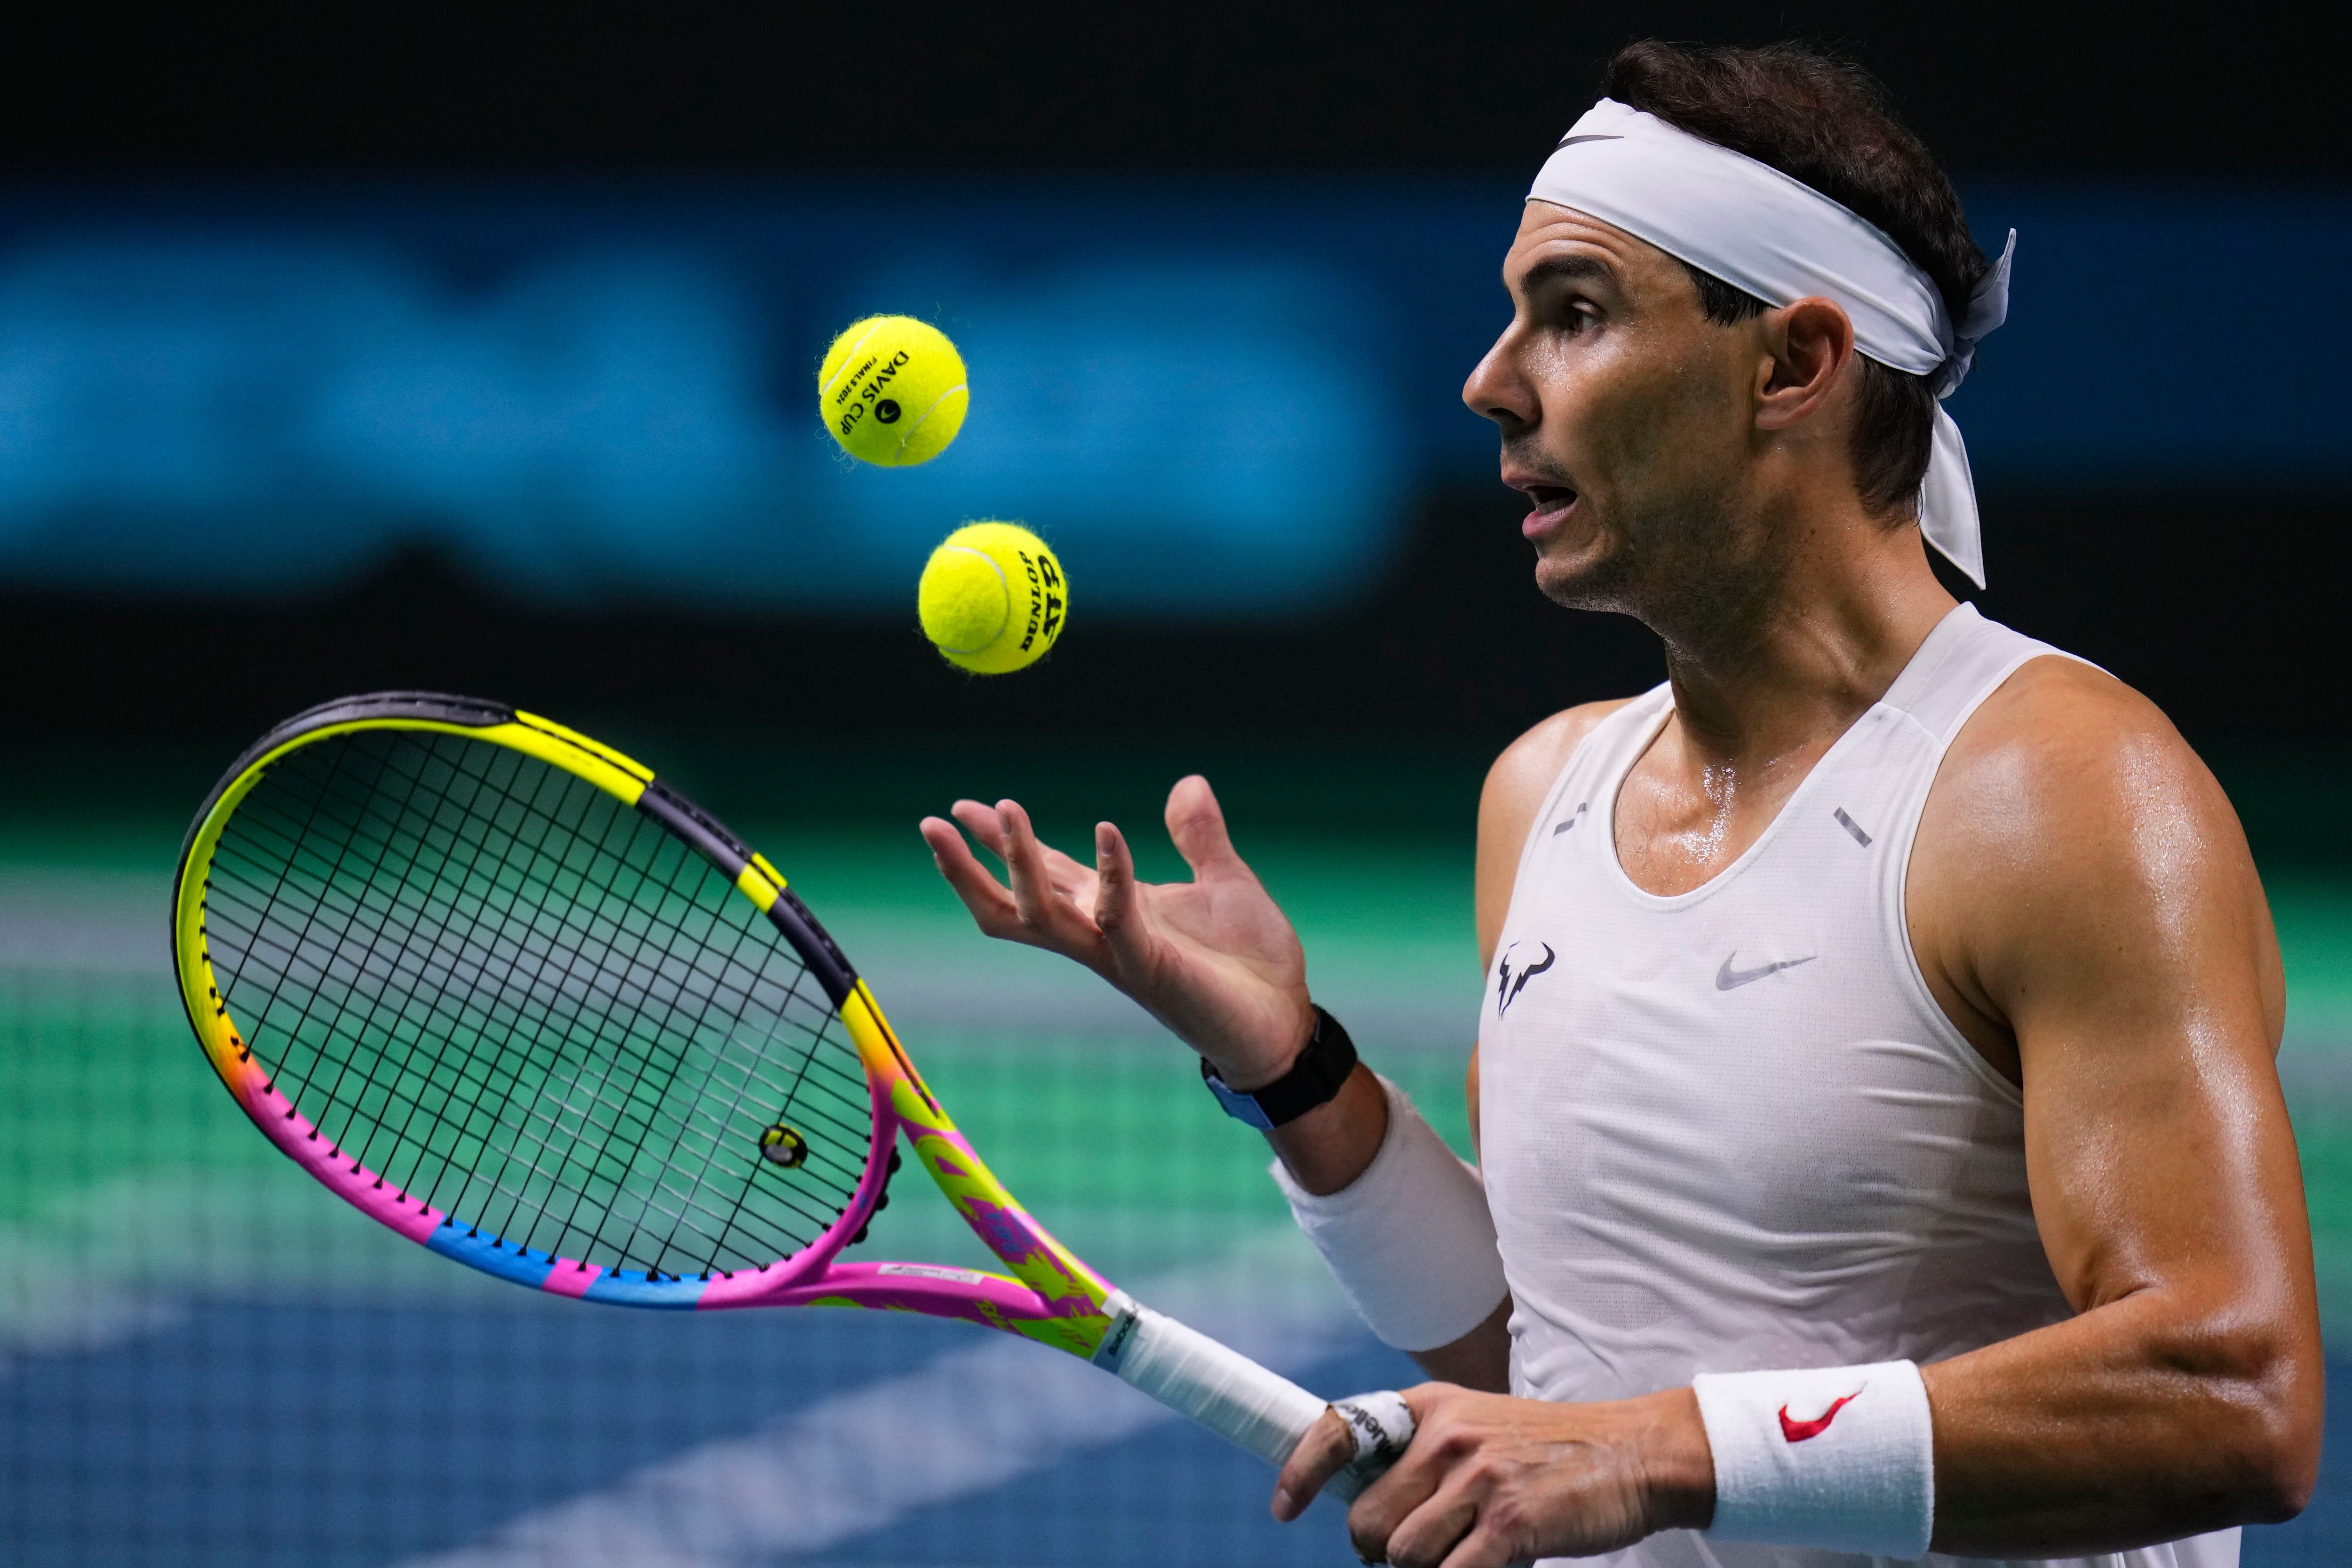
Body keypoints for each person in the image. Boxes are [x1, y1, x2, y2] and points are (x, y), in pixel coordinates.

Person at [919, 40, 2320, 1568]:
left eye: (1573, 315)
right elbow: (1552, 1368)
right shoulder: (1546, 795)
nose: (1489, 381)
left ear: (1792, 363)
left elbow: (2231, 1395)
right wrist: (1293, 1068)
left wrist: (1651, 1451)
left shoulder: (2058, 794)